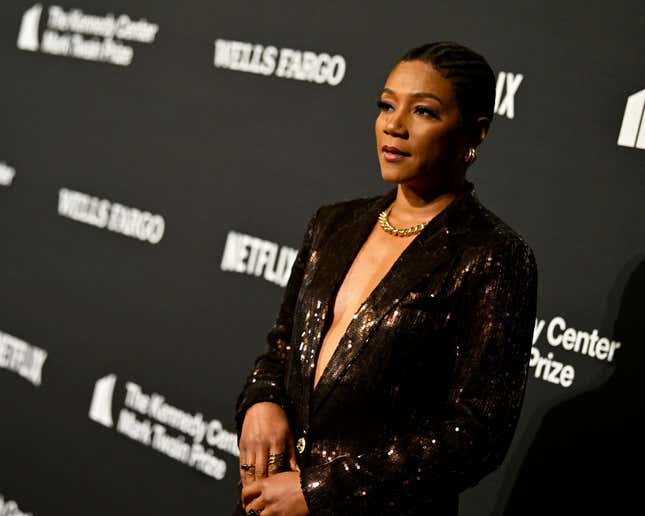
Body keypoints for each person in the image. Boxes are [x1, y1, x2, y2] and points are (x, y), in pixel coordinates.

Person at [232, 41, 538, 516]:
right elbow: (283, 346)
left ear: (474, 134)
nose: (394, 126)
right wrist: (261, 402)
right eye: (386, 105)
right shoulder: (333, 224)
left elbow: (478, 432)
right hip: (271, 503)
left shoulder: (492, 256)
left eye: (424, 111)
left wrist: (321, 492)